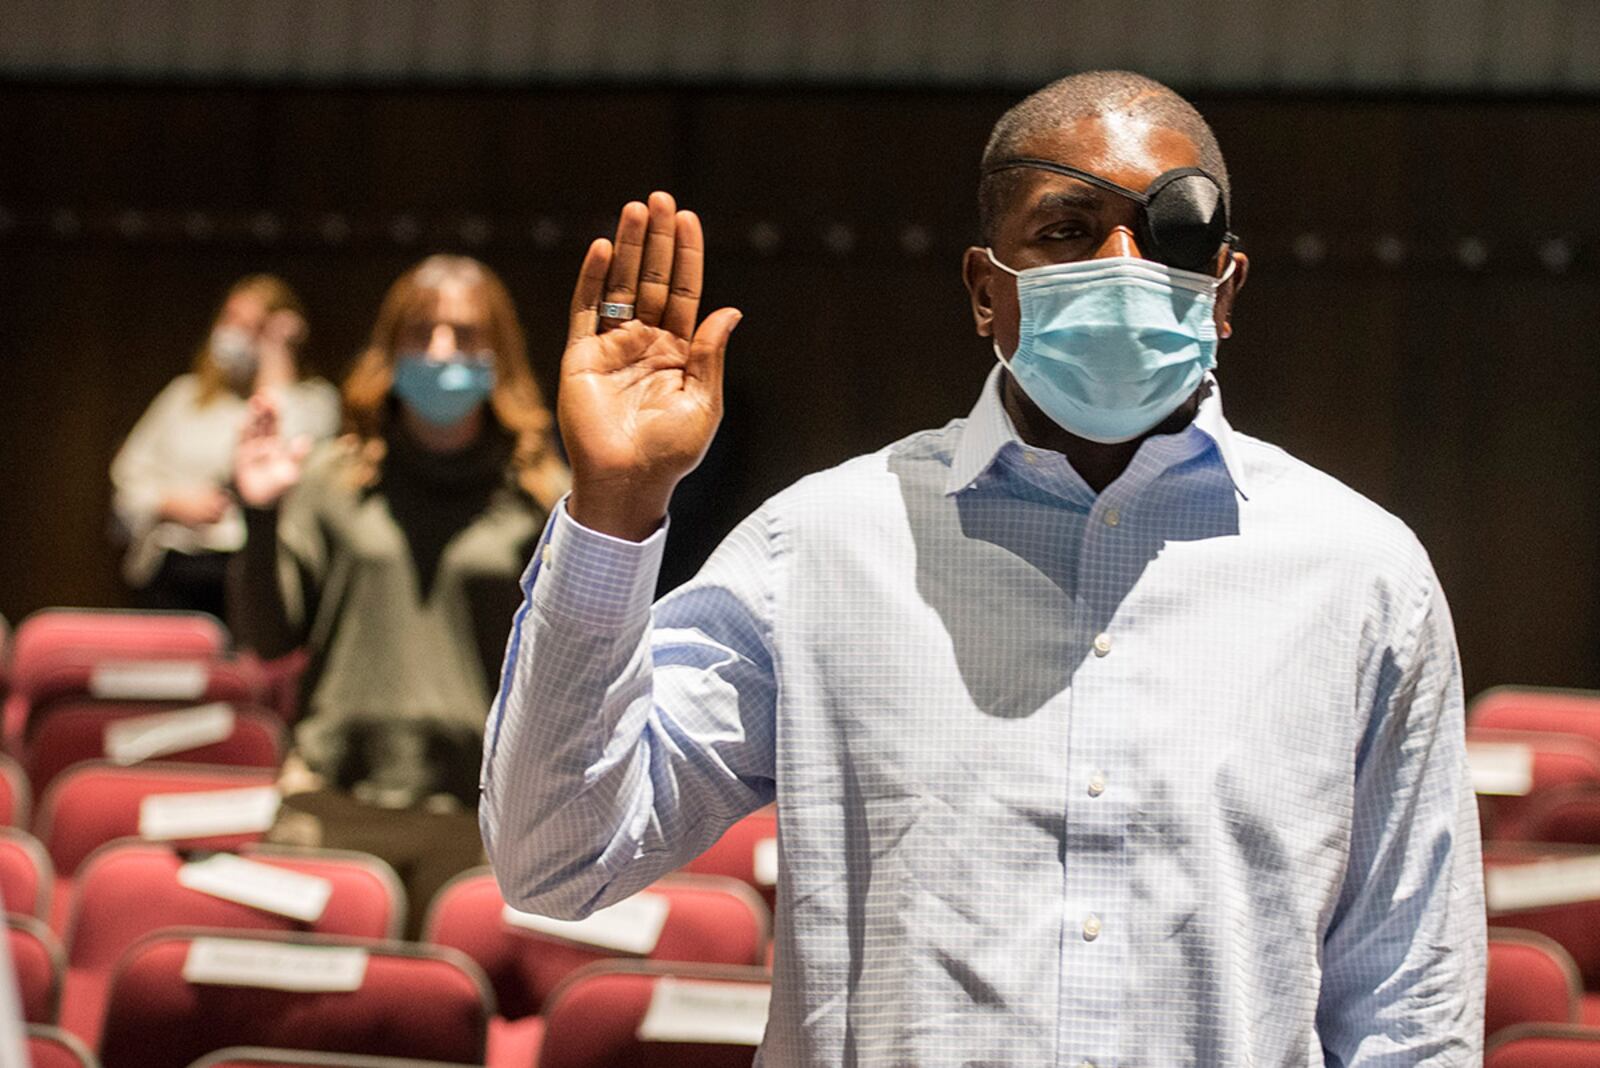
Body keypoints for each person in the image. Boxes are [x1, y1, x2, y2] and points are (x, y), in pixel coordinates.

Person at [481, 71, 1485, 1065]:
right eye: (1067, 229)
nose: (1125, 265)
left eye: (1171, 234)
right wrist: (614, 508)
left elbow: (1411, 1009)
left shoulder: (1360, 578)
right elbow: (557, 861)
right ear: (981, 289)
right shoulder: (821, 551)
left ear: (1224, 291)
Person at [230, 254, 567, 923]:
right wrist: (260, 515)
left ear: (499, 353)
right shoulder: (333, 478)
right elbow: (268, 639)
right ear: (391, 350)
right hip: (334, 802)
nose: (442, 351)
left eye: (466, 335)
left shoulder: (542, 496)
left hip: (477, 817)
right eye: (422, 333)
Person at [110, 274, 339, 618]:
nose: (235, 333)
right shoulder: (184, 396)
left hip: (253, 566)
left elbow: (295, 462)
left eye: (254, 327)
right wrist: (170, 504)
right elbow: (128, 478)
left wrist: (276, 359)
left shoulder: (312, 400)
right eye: (230, 319)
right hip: (175, 569)